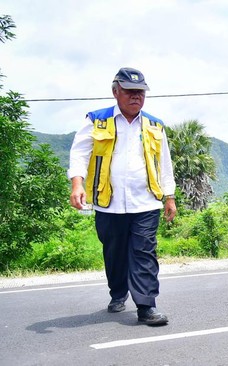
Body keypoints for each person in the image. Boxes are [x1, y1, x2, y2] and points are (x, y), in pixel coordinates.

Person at [68, 67, 176, 326]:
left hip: (146, 202)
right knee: (114, 253)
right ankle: (118, 292)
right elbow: (79, 153)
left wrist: (170, 197)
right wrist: (77, 185)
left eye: (140, 92)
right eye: (130, 91)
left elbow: (164, 163)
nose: (136, 96)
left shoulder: (154, 125)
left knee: (144, 253)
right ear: (116, 91)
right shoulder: (97, 120)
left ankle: (146, 306)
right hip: (109, 203)